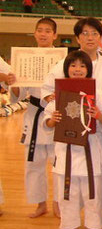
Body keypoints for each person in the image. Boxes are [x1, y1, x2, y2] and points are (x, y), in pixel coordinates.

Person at [42, 17, 102, 213]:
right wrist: (56, 103)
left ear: (101, 38)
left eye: (94, 34)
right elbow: (48, 92)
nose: (90, 38)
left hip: (100, 126)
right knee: (69, 170)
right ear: (77, 38)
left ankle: (99, 209)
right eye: (85, 33)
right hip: (71, 127)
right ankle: (67, 208)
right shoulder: (63, 64)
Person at [44, 51, 102, 229]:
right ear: (67, 69)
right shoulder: (59, 93)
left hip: (90, 150)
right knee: (68, 195)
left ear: (89, 69)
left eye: (82, 66)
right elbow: (47, 123)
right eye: (73, 65)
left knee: (92, 195)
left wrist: (98, 116)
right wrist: (53, 120)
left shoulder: (97, 92)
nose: (78, 69)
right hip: (66, 151)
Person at [10, 18, 60, 218]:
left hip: (56, 114)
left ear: (55, 35)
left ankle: (58, 203)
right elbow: (18, 94)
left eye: (48, 31)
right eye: (40, 30)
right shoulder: (24, 58)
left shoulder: (62, 59)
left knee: (59, 162)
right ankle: (40, 204)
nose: (43, 34)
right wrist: (14, 84)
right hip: (34, 114)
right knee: (34, 162)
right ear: (35, 33)